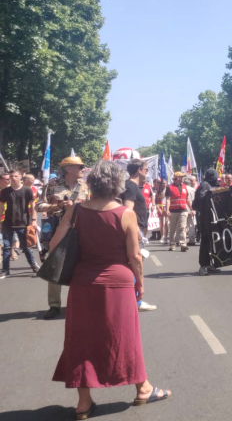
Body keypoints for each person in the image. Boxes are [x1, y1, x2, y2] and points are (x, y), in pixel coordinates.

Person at [50, 160, 171, 418]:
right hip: (119, 283)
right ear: (117, 183)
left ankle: (83, 403)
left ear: (91, 182)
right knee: (125, 338)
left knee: (80, 339)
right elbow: (135, 256)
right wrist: (140, 282)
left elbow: (54, 246)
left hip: (82, 283)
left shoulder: (76, 211)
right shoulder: (125, 214)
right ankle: (142, 389)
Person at [35, 156, 90, 320]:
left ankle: (79, 302)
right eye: (80, 167)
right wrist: (58, 206)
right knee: (54, 265)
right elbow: (39, 205)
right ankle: (54, 305)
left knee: (81, 266)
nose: (82, 169)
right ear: (69, 169)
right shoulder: (52, 186)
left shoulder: (85, 186)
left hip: (79, 230)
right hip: (57, 229)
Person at [121, 159, 157, 312]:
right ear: (139, 170)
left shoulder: (133, 186)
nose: (147, 171)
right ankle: (136, 302)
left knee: (135, 265)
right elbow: (127, 210)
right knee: (136, 265)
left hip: (138, 229)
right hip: (135, 230)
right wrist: (136, 229)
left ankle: (134, 300)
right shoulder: (131, 186)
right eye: (145, 169)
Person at [0, 170, 39, 278]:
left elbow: (33, 205)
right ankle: (5, 270)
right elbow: (2, 206)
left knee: (26, 247)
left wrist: (34, 219)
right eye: (11, 176)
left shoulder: (27, 190)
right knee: (6, 247)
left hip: (23, 222)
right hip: (7, 222)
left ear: (21, 177)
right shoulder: (5, 191)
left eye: (15, 176)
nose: (13, 178)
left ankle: (34, 267)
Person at [195, 169, 221, 276]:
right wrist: (211, 193)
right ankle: (203, 266)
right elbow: (200, 198)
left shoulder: (211, 184)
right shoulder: (205, 185)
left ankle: (210, 264)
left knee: (212, 242)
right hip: (205, 219)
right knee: (205, 243)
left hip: (212, 219)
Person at [165, 172, 191, 252]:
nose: (183, 178)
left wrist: (191, 208)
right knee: (172, 228)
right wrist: (167, 210)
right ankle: (172, 244)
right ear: (177, 178)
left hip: (183, 210)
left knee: (182, 227)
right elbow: (168, 199)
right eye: (182, 177)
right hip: (173, 211)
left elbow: (187, 199)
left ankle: (183, 244)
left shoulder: (184, 187)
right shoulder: (169, 187)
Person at [183, 176, 197, 246]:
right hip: (191, 208)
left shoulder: (183, 189)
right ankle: (192, 239)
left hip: (184, 208)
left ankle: (182, 240)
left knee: (183, 225)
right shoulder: (193, 190)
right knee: (191, 225)